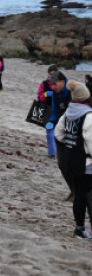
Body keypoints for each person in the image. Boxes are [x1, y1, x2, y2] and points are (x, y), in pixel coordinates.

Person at [54, 81, 92, 239]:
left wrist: (71, 144)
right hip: (86, 164)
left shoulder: (68, 113)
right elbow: (90, 143)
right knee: (89, 196)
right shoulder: (89, 116)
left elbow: (58, 134)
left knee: (79, 195)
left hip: (71, 162)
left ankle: (80, 229)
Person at [48, 71, 75, 200]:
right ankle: (74, 191)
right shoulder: (55, 94)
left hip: (77, 132)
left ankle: (80, 192)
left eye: (55, 84)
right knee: (62, 164)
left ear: (62, 82)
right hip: (62, 132)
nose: (53, 87)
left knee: (77, 164)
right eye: (51, 84)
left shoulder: (73, 90)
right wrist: (51, 123)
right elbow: (55, 112)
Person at [39, 65, 60, 157]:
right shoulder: (44, 84)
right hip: (48, 111)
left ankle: (61, 152)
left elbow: (68, 97)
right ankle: (52, 153)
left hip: (61, 111)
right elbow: (40, 97)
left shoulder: (63, 83)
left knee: (61, 133)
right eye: (50, 75)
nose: (52, 76)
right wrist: (46, 94)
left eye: (53, 74)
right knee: (50, 133)